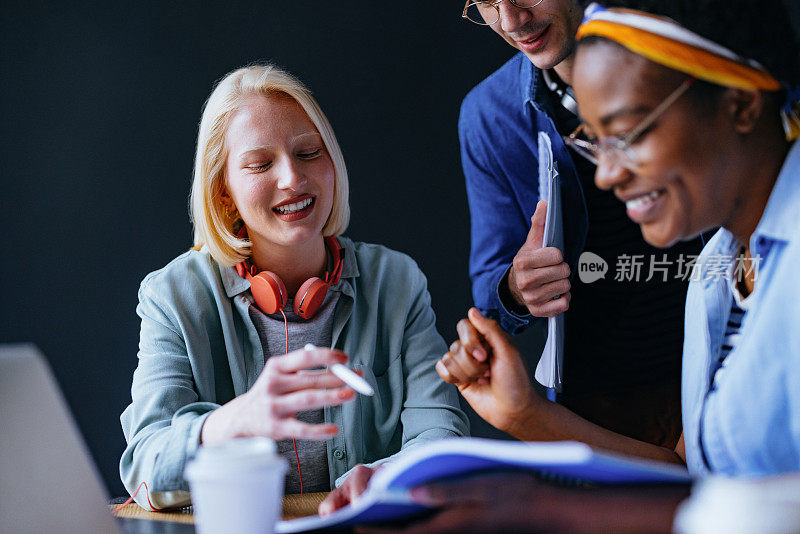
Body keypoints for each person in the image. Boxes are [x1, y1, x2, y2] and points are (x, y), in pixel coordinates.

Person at [401, 0, 800, 531]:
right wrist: (523, 415)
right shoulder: (718, 276)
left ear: (741, 104)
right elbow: (698, 482)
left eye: (630, 134)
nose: (607, 173)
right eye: (593, 141)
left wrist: (538, 507)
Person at [119, 64, 468, 513]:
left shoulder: (397, 281)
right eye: (261, 164)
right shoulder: (172, 297)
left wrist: (384, 475)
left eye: (308, 153)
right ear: (224, 192)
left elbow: (442, 433)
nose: (292, 179)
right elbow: (145, 468)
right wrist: (232, 423)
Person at [455, 0, 704, 447]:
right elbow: (489, 299)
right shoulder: (489, 116)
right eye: (487, 3)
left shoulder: (684, 51)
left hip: (721, 365)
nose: (511, 20)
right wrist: (517, 287)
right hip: (599, 409)